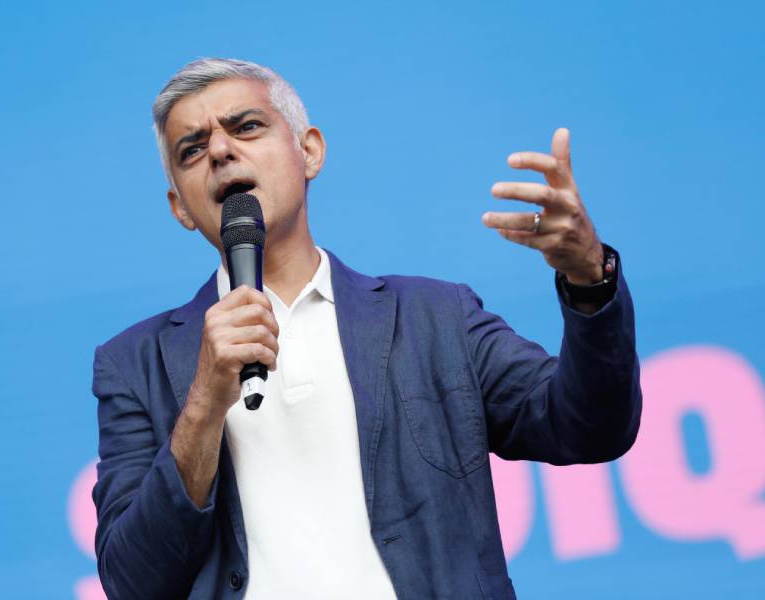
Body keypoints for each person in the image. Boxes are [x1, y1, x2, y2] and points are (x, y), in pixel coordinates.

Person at [90, 58, 641, 599]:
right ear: (180, 207)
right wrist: (204, 405)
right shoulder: (135, 365)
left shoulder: (435, 316)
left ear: (309, 151)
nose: (218, 150)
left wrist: (589, 276)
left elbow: (590, 427)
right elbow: (132, 581)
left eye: (246, 126)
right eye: (192, 149)